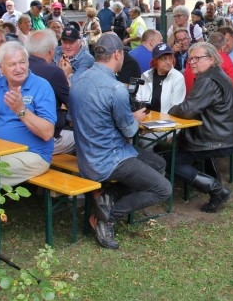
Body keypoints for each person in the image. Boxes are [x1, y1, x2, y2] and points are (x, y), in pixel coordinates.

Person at [70, 33, 171, 249]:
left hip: (86, 156)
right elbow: (129, 131)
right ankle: (108, 217)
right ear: (117, 54)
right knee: (163, 189)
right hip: (110, 159)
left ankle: (108, 196)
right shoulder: (116, 89)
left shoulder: (77, 80)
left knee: (159, 163)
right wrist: (135, 118)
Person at [168, 42, 233, 212]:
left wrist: (170, 110)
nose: (192, 62)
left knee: (173, 162)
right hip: (227, 134)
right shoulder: (218, 74)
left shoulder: (208, 80)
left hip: (219, 138)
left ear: (211, 59)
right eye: (190, 59)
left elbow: (187, 110)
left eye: (197, 58)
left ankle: (217, 190)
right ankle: (214, 183)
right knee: (180, 147)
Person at [0, 42, 56, 187]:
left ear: (28, 62)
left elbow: (47, 133)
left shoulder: (41, 86)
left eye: (22, 62)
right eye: (12, 65)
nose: (19, 68)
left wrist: (21, 111)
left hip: (34, 155)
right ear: (0, 68)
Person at [26, 30, 74, 155]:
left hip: (21, 133)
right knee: (82, 139)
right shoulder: (53, 71)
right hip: (45, 138)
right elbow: (72, 104)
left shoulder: (19, 67)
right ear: (51, 51)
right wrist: (65, 76)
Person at [136, 43, 186, 113]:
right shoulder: (145, 75)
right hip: (145, 118)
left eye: (170, 58)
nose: (168, 62)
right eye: (163, 58)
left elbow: (176, 107)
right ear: (155, 61)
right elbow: (138, 99)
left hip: (167, 121)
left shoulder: (178, 77)